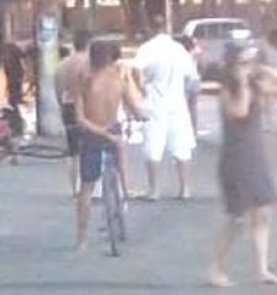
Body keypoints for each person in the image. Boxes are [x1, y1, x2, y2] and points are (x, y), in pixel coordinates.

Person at [208, 44, 277, 288]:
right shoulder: (227, 91)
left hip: (255, 157)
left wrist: (265, 69)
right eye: (243, 64)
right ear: (232, 66)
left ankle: (263, 268)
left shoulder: (256, 85)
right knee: (237, 219)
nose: (247, 67)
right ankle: (215, 267)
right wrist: (243, 83)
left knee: (264, 211)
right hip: (235, 160)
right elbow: (240, 111)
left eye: (249, 63)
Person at [74, 40, 143, 251]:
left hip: (92, 133)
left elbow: (79, 118)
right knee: (120, 158)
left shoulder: (85, 81)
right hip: (113, 131)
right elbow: (134, 108)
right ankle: (125, 191)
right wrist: (142, 117)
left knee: (86, 188)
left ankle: (82, 239)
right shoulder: (119, 80)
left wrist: (98, 130)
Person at [133, 21, 199, 200]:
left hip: (155, 103)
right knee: (182, 146)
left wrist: (142, 88)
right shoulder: (179, 49)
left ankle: (154, 190)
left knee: (153, 147)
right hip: (177, 103)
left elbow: (135, 69)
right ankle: (185, 188)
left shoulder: (147, 48)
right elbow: (191, 76)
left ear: (151, 29)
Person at [54, 29, 91, 196]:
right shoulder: (90, 63)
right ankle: (88, 185)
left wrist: (61, 105)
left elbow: (58, 89)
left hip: (68, 104)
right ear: (88, 44)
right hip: (88, 106)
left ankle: (74, 188)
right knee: (90, 146)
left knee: (73, 149)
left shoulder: (62, 64)